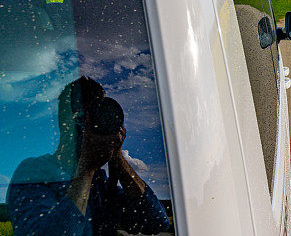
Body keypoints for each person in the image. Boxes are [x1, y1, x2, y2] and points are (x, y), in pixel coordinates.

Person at [7, 76, 170, 235]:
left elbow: (156, 221)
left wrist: (116, 155)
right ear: (68, 123)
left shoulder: (99, 184)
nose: (97, 125)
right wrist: (87, 169)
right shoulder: (33, 173)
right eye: (89, 119)